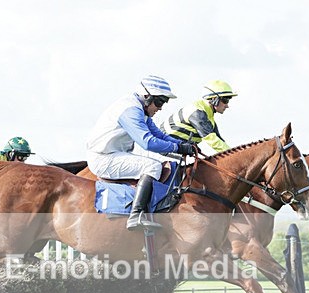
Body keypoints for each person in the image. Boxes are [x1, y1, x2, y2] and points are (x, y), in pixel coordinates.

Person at [86, 75, 195, 231]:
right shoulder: (131, 111)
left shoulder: (140, 108)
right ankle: (136, 216)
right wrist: (178, 149)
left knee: (153, 164)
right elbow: (147, 142)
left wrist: (183, 144)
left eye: (164, 102)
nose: (161, 107)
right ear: (146, 96)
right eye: (159, 102)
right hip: (103, 158)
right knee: (152, 166)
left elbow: (158, 135)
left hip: (113, 153)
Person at [161, 80, 238, 153]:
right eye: (225, 101)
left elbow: (220, 141)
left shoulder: (208, 116)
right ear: (214, 99)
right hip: (164, 149)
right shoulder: (198, 113)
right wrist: (235, 157)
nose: (227, 106)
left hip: (176, 149)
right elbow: (213, 140)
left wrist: (234, 153)